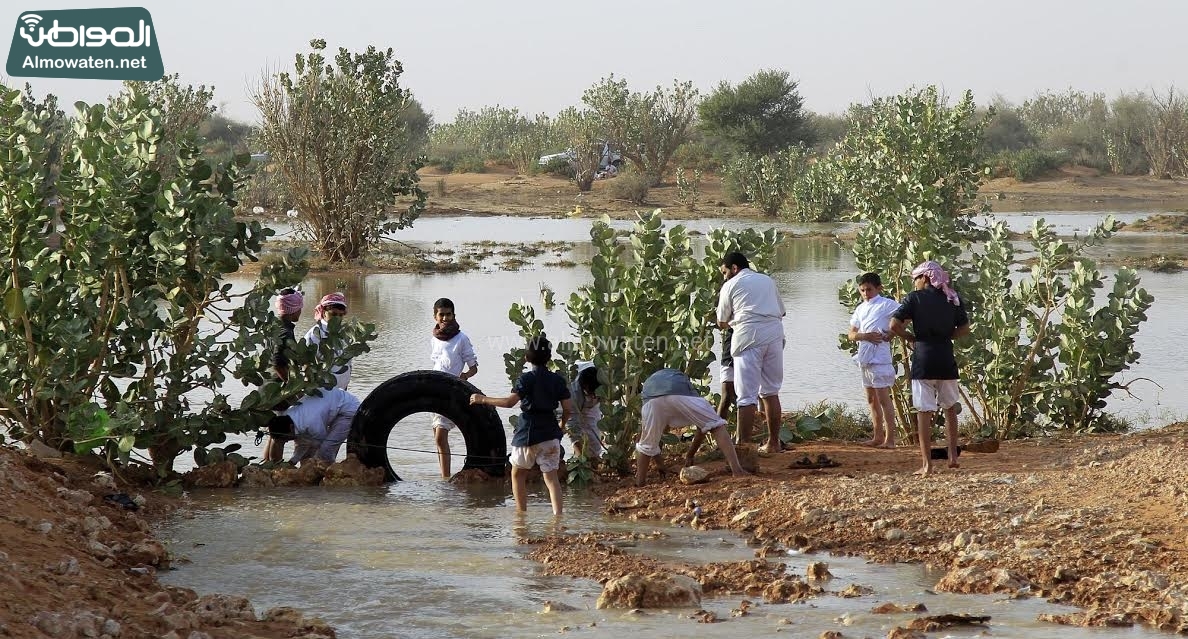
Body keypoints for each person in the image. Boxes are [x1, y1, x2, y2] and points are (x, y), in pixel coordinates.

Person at [470, 335, 572, 516]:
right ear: (549, 358)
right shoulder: (557, 380)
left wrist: (482, 399)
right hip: (550, 435)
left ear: (526, 358)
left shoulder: (525, 379)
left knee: (517, 475)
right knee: (551, 479)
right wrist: (561, 426)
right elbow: (567, 409)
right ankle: (558, 518)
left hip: (527, 435)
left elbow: (510, 403)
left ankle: (521, 515)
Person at [889, 261, 971, 476]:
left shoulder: (913, 298)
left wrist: (911, 339)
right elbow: (964, 329)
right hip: (945, 355)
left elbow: (894, 325)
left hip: (923, 357)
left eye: (915, 279)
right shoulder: (952, 297)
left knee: (924, 411)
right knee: (950, 407)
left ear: (924, 278)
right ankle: (952, 456)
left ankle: (927, 464)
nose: (914, 283)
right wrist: (946, 337)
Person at [716, 252, 786, 455]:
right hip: (774, 335)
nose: (724, 276)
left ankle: (744, 449)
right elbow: (781, 312)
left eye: (724, 271)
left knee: (746, 396)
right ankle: (773, 443)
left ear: (734, 268)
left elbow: (722, 322)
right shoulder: (767, 280)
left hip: (748, 337)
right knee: (771, 391)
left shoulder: (730, 285)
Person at [636, 368, 750, 487]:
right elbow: (703, 428)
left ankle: (640, 482)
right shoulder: (681, 379)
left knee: (646, 443)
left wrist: (661, 464)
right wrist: (690, 455)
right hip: (681, 391)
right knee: (717, 426)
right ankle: (737, 470)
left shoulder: (652, 386)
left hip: (652, 397)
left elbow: (651, 440)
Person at [848, 273, 900, 449]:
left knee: (884, 399)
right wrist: (865, 336)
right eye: (862, 290)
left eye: (869, 289)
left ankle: (890, 439)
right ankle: (877, 436)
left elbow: (906, 315)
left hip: (880, 358)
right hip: (865, 357)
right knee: (871, 399)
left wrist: (892, 333)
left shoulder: (886, 304)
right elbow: (851, 334)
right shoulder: (860, 308)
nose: (865, 293)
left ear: (878, 288)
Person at [429, 297, 479, 479]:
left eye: (448, 314)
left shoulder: (461, 338)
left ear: (454, 315)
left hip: (451, 391)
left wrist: (464, 377)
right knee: (438, 438)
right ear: (435, 316)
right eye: (441, 315)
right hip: (435, 390)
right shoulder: (435, 337)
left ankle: (446, 478)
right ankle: (444, 478)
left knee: (440, 437)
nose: (445, 318)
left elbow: (473, 367)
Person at [266, 387, 361, 465]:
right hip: (331, 405)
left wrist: (292, 461)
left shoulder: (310, 423)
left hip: (348, 410)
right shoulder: (289, 417)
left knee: (325, 450)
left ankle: (327, 477)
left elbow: (314, 443)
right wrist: (292, 461)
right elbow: (302, 443)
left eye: (285, 438)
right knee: (307, 455)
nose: (286, 441)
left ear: (291, 427)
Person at [684, 328, 736, 466]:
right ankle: (732, 445)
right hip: (742, 344)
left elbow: (721, 321)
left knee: (736, 398)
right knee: (741, 397)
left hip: (738, 344)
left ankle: (737, 444)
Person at [263, 288, 305, 463]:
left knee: (274, 431)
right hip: (278, 386)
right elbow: (278, 362)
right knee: (280, 432)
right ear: (293, 310)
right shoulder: (284, 331)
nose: (301, 311)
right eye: (299, 308)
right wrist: (292, 387)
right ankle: (276, 467)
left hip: (268, 383)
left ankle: (267, 465)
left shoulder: (275, 326)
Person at [303, 292, 353, 390]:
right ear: (323, 312)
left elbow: (348, 364)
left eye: (341, 315)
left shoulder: (345, 334)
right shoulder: (314, 335)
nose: (337, 318)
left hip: (341, 391)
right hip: (321, 391)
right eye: (333, 314)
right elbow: (306, 366)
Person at [567, 361, 604, 463]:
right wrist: (581, 457)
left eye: (596, 394)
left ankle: (594, 459)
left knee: (594, 442)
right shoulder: (572, 392)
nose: (593, 397)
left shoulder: (605, 376)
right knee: (578, 438)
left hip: (590, 406)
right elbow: (572, 426)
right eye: (591, 393)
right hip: (572, 404)